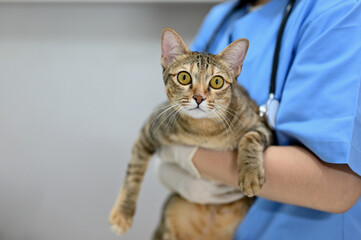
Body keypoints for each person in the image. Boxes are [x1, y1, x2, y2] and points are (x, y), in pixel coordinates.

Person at [156, 0, 361, 239]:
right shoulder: (221, 17)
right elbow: (183, 105)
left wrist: (191, 157)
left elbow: (337, 188)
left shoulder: (338, 11)